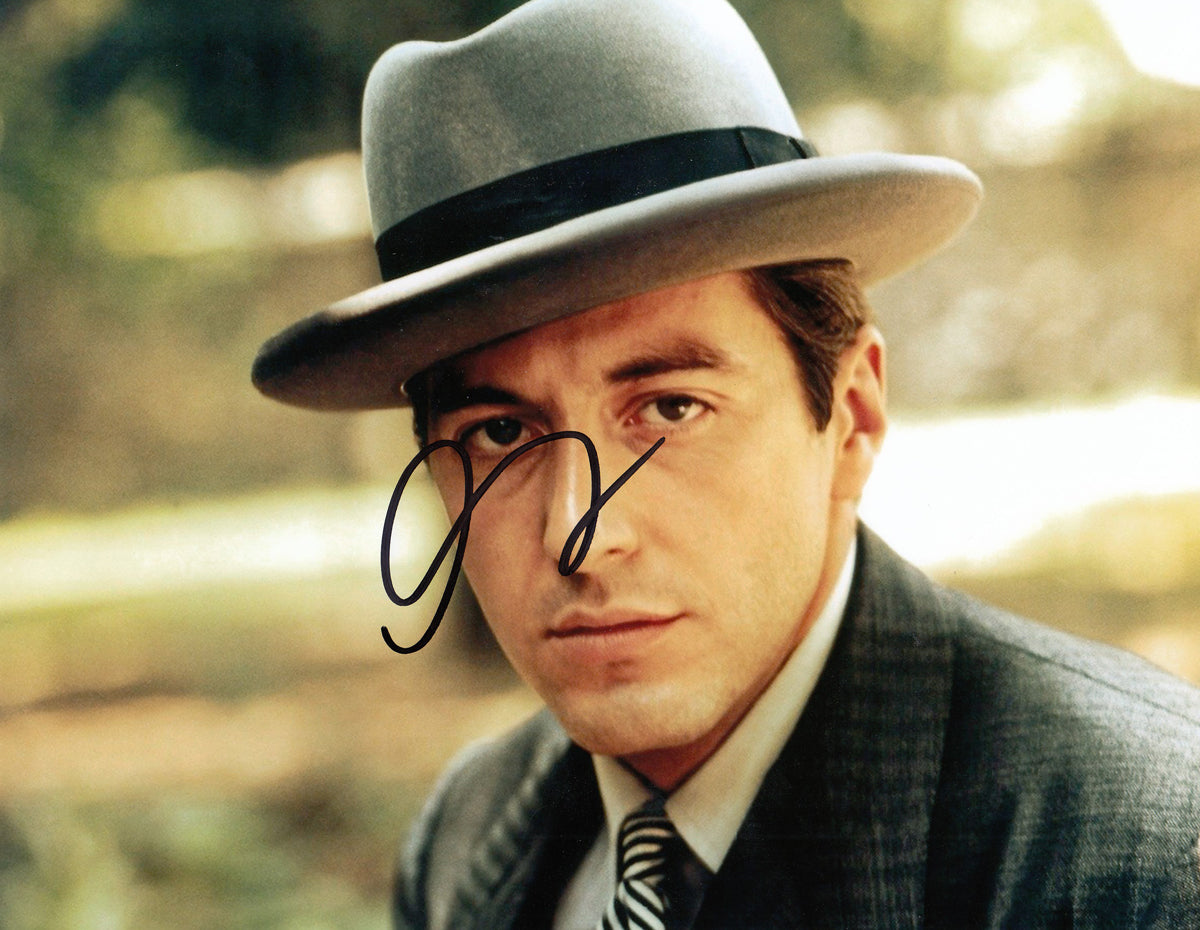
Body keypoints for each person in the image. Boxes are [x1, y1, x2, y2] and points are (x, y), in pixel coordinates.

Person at [251, 0, 1200, 926]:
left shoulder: (1136, 854)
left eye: (670, 408)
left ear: (853, 418)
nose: (579, 533)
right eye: (500, 433)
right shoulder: (463, 839)